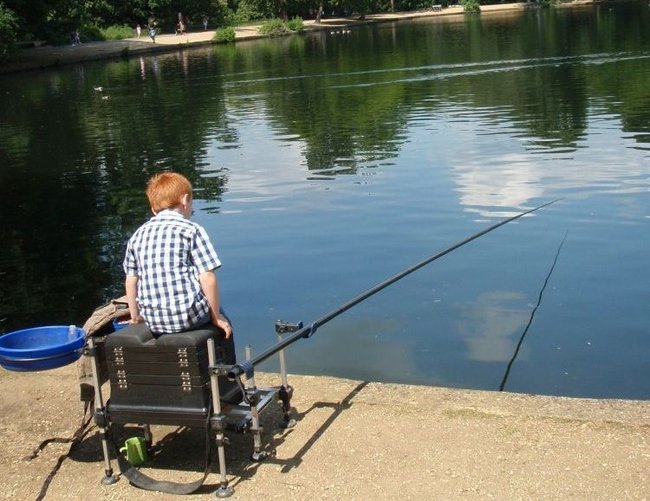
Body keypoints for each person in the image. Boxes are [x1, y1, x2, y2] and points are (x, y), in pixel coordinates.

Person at [123, 172, 233, 356]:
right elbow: (207, 277)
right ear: (185, 199)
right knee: (220, 312)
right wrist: (216, 317)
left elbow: (131, 280)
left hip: (154, 320)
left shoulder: (138, 235)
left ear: (152, 208)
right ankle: (225, 370)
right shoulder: (191, 230)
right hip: (188, 317)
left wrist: (136, 317)